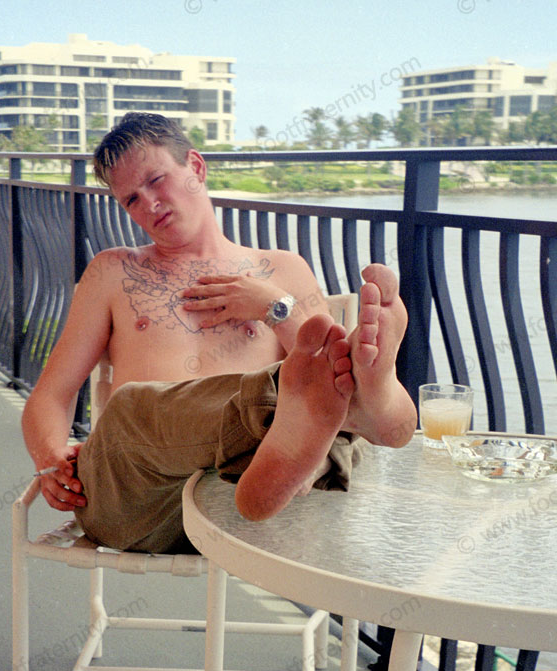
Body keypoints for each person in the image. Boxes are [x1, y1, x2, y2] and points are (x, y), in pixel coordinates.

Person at [22, 112, 416, 553]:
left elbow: (325, 368)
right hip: (140, 502)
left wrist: (274, 307)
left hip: (247, 496)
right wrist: (50, 459)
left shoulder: (281, 269)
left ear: (195, 166)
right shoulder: (113, 271)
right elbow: (51, 394)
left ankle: (363, 406)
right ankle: (353, 418)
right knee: (130, 408)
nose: (149, 204)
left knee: (325, 388)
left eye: (156, 180)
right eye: (131, 199)